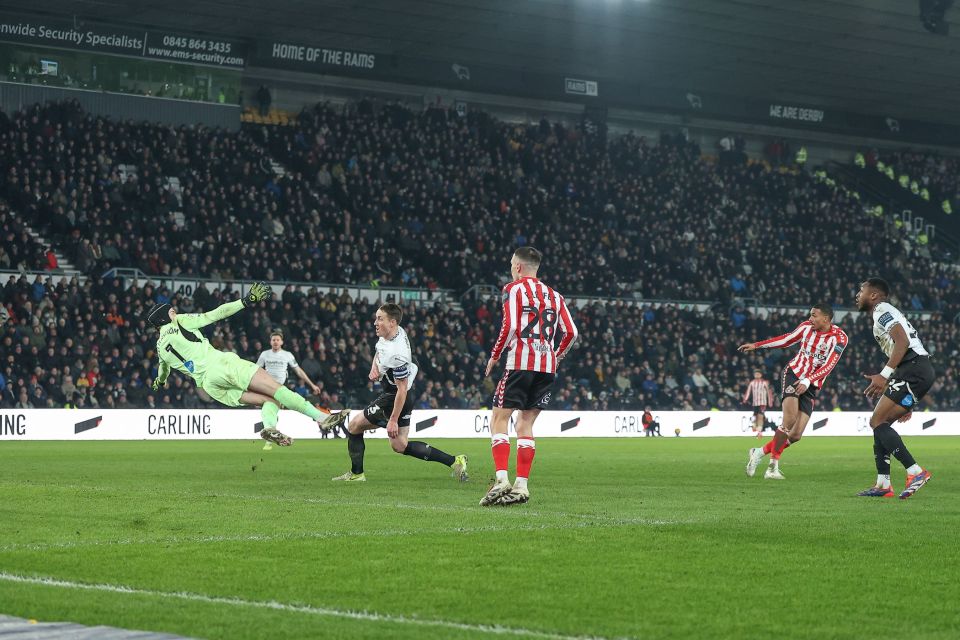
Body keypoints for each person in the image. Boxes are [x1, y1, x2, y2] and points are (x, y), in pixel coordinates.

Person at [148, 283, 328, 446]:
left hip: (210, 387)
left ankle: (270, 428)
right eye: (171, 311)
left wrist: (160, 382)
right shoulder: (179, 321)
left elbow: (164, 371)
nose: (175, 312)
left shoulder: (160, 348)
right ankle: (321, 417)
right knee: (277, 390)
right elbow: (215, 314)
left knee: (269, 400)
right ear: (165, 317)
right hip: (221, 366)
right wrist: (246, 301)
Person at [325, 303, 468, 482]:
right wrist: (374, 367)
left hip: (396, 395)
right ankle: (455, 461)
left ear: (392, 322)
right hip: (405, 392)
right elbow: (379, 349)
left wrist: (392, 420)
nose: (375, 323)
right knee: (400, 445)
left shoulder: (397, 354)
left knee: (354, 426)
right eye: (376, 318)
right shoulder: (392, 332)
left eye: (380, 319)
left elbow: (401, 389)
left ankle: (356, 473)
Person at [481, 246, 579, 506]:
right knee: (525, 424)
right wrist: (555, 356)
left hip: (520, 363)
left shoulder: (513, 290)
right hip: (547, 367)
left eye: (512, 265)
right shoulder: (555, 296)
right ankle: (521, 486)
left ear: (518, 267)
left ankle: (501, 479)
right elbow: (571, 333)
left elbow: (511, 325)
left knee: (499, 418)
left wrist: (494, 355)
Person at [739, 304, 848, 480]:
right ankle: (772, 467)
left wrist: (809, 380)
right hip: (794, 374)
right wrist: (757, 345)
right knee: (788, 420)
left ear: (826, 319)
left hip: (811, 383)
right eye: (810, 315)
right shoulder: (806, 327)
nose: (810, 319)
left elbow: (830, 364)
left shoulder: (840, 338)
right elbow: (786, 340)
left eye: (814, 316)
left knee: (796, 435)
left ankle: (758, 452)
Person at [854, 277, 934, 499]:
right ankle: (883, 484)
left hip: (914, 368)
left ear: (874, 295)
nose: (857, 295)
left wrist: (884, 375)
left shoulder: (882, 309)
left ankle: (915, 472)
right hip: (915, 371)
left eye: (861, 290)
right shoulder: (881, 313)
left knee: (877, 422)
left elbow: (902, 342)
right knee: (881, 424)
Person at [742, 370, 775, 438]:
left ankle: (759, 432)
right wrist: (745, 400)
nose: (756, 375)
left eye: (758, 374)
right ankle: (756, 428)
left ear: (761, 375)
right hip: (755, 403)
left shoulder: (764, 383)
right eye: (755, 374)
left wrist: (770, 401)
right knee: (755, 417)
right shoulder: (752, 383)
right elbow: (748, 391)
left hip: (762, 402)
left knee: (760, 416)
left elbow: (769, 392)